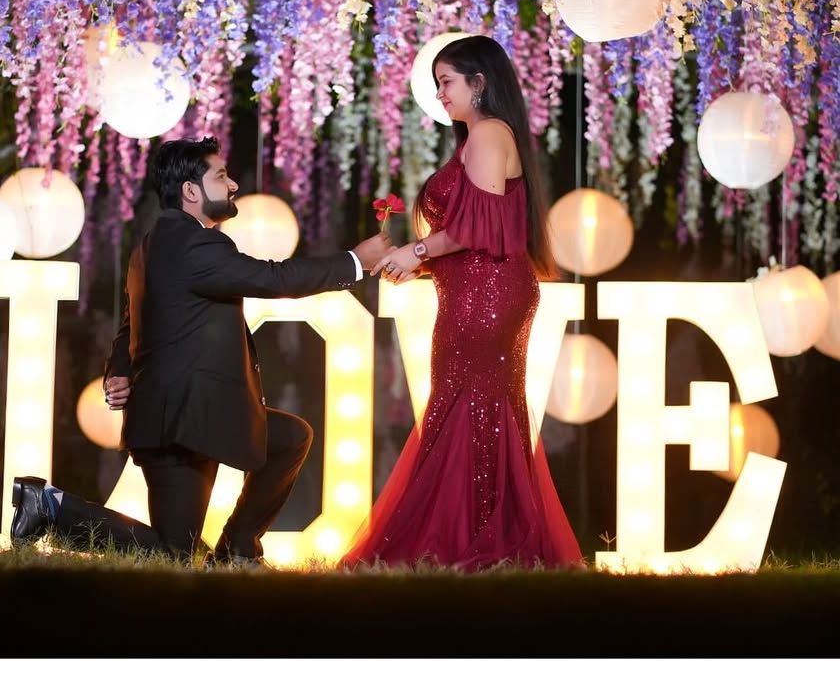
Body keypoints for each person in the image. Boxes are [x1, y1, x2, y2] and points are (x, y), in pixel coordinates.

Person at [10, 136, 392, 566]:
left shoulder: (152, 244)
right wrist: (354, 261)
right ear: (191, 190)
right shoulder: (194, 243)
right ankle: (51, 508)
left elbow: (133, 323)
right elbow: (274, 278)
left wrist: (119, 369)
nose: (233, 186)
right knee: (174, 555)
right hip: (182, 422)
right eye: (222, 176)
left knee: (289, 438)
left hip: (197, 413)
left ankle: (236, 551)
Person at [339, 35, 583, 571]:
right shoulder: (481, 136)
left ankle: (472, 538)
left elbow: (480, 228)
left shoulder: (490, 133)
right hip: (475, 291)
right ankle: (473, 533)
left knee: (472, 408)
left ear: (479, 82)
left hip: (488, 297)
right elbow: (478, 234)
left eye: (446, 82)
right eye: (437, 84)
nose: (440, 94)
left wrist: (416, 250)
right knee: (472, 408)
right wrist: (420, 263)